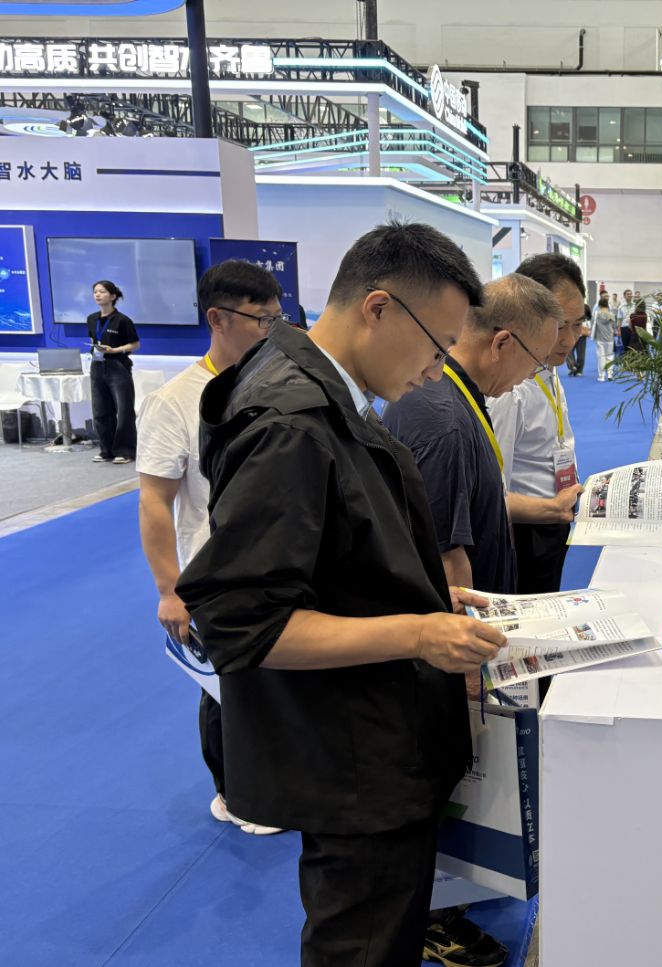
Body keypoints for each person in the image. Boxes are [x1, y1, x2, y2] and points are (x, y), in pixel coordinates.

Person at [175, 221, 509, 967]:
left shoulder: (318, 392)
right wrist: (417, 633)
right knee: (363, 943)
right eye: (437, 345)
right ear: (379, 308)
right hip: (353, 759)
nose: (437, 370)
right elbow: (245, 623)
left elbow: (337, 556)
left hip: (366, 739)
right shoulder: (292, 421)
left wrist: (429, 603)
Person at [137, 259, 288, 838]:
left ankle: (275, 781)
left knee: (275, 679)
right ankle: (234, 794)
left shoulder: (276, 382)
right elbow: (156, 501)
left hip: (278, 562)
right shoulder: (175, 400)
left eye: (277, 318)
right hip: (214, 572)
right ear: (217, 319)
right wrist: (169, 590)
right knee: (225, 687)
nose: (270, 330)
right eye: (260, 319)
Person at [384, 273, 561, 600]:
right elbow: (448, 561)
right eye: (536, 363)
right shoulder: (446, 422)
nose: (530, 376)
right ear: (501, 344)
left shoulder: (450, 393)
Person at [491, 253, 588, 595]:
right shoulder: (509, 388)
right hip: (524, 531)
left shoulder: (548, 367)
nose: (570, 339)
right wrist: (549, 509)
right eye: (560, 326)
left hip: (553, 517)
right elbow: (489, 495)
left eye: (577, 325)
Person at [87, 279, 139, 464]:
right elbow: (93, 339)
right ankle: (106, 450)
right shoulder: (91, 319)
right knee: (100, 410)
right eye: (95, 291)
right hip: (97, 366)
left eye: (101, 291)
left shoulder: (122, 320)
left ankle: (125, 451)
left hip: (118, 366)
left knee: (123, 410)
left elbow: (135, 344)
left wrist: (115, 350)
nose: (97, 295)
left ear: (113, 296)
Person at [592, 296, 616, 380]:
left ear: (599, 305)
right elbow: (614, 326)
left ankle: (601, 376)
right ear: (607, 305)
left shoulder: (596, 314)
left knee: (601, 357)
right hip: (610, 338)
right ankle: (610, 375)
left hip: (600, 338)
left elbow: (593, 325)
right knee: (610, 357)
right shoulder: (612, 315)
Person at [567, 302, 590, 376]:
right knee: (568, 352)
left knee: (581, 355)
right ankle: (573, 366)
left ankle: (579, 370)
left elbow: (587, 330)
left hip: (582, 337)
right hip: (573, 336)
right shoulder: (573, 315)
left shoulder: (587, 319)